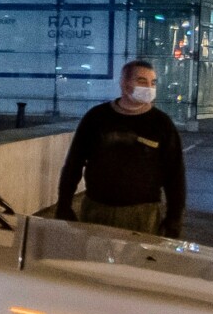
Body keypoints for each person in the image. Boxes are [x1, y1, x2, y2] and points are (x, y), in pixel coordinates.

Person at [56, 59, 186, 238]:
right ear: (124, 84)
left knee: (135, 264)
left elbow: (175, 176)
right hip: (96, 211)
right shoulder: (97, 118)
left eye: (153, 82)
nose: (149, 87)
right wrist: (64, 205)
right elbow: (73, 164)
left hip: (142, 215)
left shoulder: (161, 124)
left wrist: (174, 219)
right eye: (142, 81)